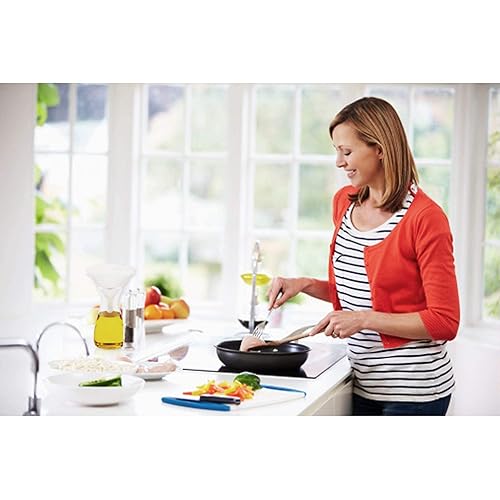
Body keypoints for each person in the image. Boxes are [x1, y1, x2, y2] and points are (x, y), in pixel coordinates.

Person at [267, 96, 460, 416]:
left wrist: (363, 319)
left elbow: (444, 321)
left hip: (414, 392)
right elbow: (364, 291)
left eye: (347, 152)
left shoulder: (425, 218)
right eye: (336, 152)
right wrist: (304, 284)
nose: (339, 162)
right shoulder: (344, 202)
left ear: (379, 149)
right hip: (361, 382)